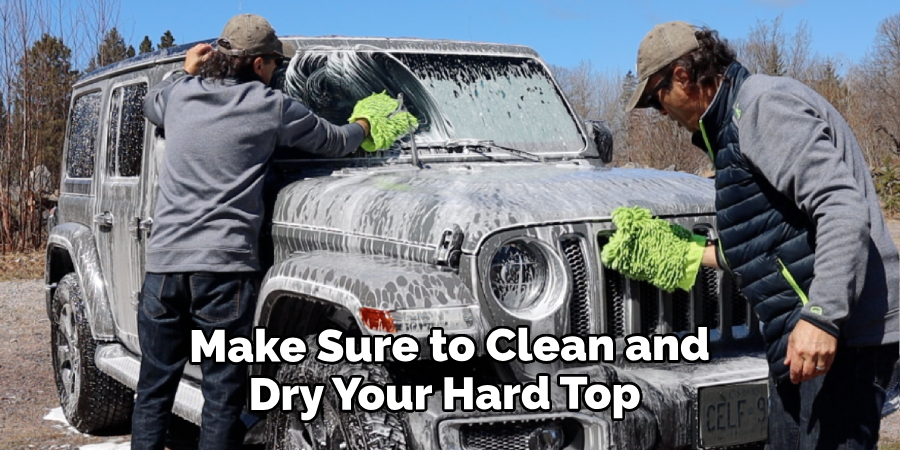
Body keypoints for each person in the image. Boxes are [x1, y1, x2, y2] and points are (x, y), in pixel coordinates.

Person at [626, 21, 900, 448]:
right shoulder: (728, 132)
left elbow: (841, 206)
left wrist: (822, 315)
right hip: (800, 340)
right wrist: (687, 253)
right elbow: (773, 240)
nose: (659, 113)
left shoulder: (761, 107)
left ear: (682, 76)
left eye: (654, 98)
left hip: (842, 337)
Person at [131, 14, 385, 450]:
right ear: (257, 64)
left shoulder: (181, 95)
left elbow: (149, 102)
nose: (276, 72)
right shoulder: (270, 106)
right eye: (273, 63)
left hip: (164, 270)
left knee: (154, 390)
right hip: (224, 273)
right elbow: (336, 141)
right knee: (221, 398)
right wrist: (365, 123)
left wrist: (184, 69)